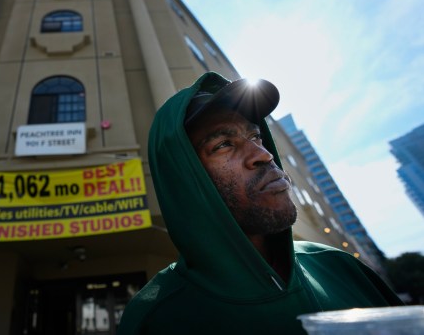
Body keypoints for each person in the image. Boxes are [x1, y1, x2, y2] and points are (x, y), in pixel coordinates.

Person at [118, 72, 401, 335]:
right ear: (185, 179)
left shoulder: (339, 267)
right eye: (223, 145)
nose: (263, 155)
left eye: (256, 136)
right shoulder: (154, 319)